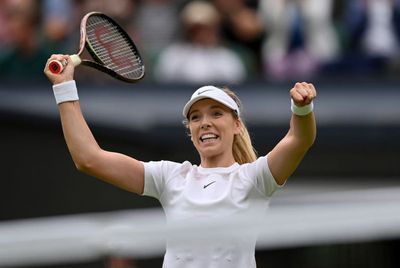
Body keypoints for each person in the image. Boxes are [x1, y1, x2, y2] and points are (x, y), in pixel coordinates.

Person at [44, 54, 317, 268]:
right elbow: (89, 159)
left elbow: (298, 139)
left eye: (216, 114)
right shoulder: (170, 177)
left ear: (236, 125)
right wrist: (65, 87)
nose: (205, 123)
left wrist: (302, 108)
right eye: (195, 117)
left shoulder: (254, 179)